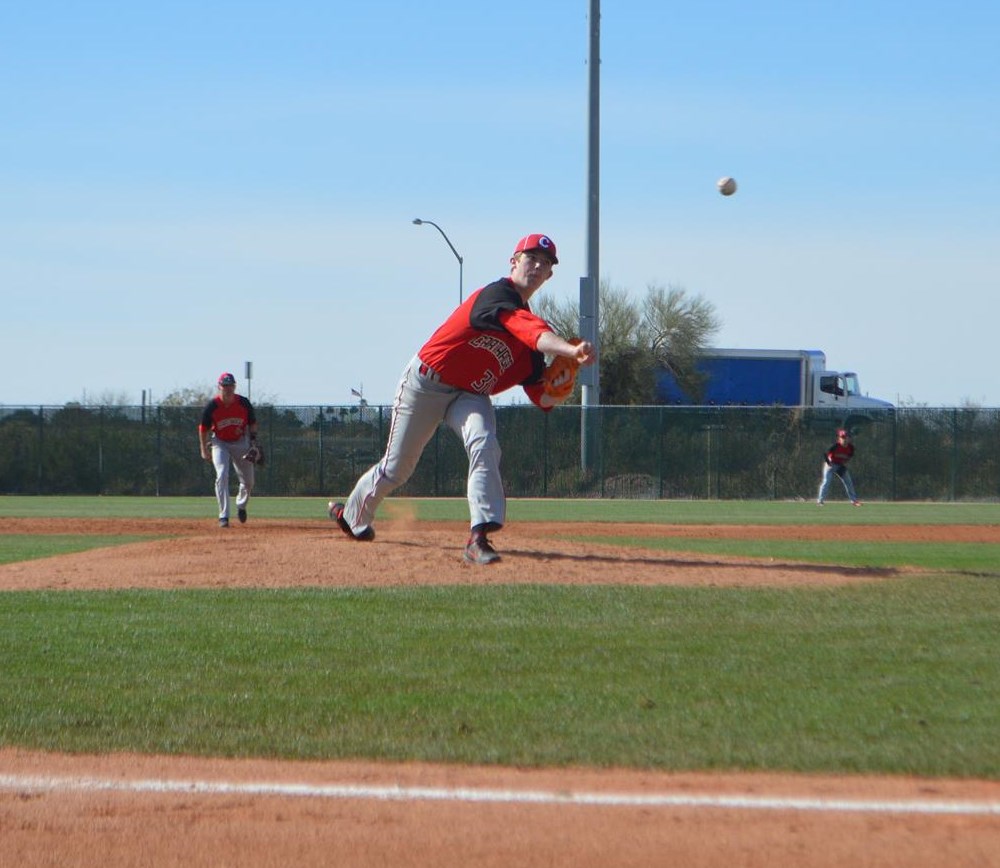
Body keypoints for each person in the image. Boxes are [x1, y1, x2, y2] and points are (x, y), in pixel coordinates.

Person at [328, 233, 595, 565]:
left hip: (469, 395)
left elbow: (541, 398)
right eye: (531, 258)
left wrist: (563, 384)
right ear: (514, 262)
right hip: (426, 384)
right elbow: (529, 330)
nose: (538, 266)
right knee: (398, 468)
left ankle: (478, 536)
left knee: (484, 442)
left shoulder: (530, 349)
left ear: (550, 276)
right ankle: (353, 516)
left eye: (546, 263)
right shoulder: (497, 296)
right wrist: (570, 350)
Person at [198, 372, 260, 527]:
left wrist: (253, 442)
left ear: (235, 386)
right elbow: (203, 428)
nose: (228, 388)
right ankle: (223, 516)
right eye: (225, 385)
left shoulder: (243, 403)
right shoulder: (212, 406)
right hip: (220, 442)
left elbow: (252, 423)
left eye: (230, 385)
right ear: (219, 387)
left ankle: (241, 505)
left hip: (240, 441)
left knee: (249, 482)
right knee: (222, 474)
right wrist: (203, 449)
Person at [817, 428, 861, 506]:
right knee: (826, 482)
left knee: (848, 482)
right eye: (842, 437)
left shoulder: (851, 448)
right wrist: (828, 462)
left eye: (846, 437)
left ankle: (854, 501)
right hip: (830, 465)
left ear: (849, 439)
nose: (844, 439)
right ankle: (820, 501)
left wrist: (843, 464)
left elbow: (849, 457)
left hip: (839, 465)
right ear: (839, 439)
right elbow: (825, 453)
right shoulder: (835, 446)